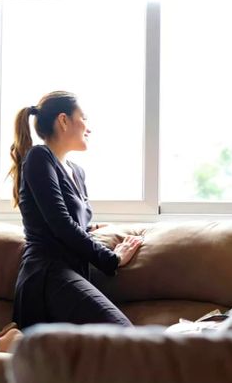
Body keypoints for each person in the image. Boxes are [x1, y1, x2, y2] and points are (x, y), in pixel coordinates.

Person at [8, 91, 143, 329]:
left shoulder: (77, 172)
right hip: (46, 276)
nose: (88, 127)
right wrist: (112, 258)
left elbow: (68, 221)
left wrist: (93, 228)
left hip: (73, 274)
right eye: (84, 118)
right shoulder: (39, 157)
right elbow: (60, 224)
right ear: (63, 120)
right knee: (125, 335)